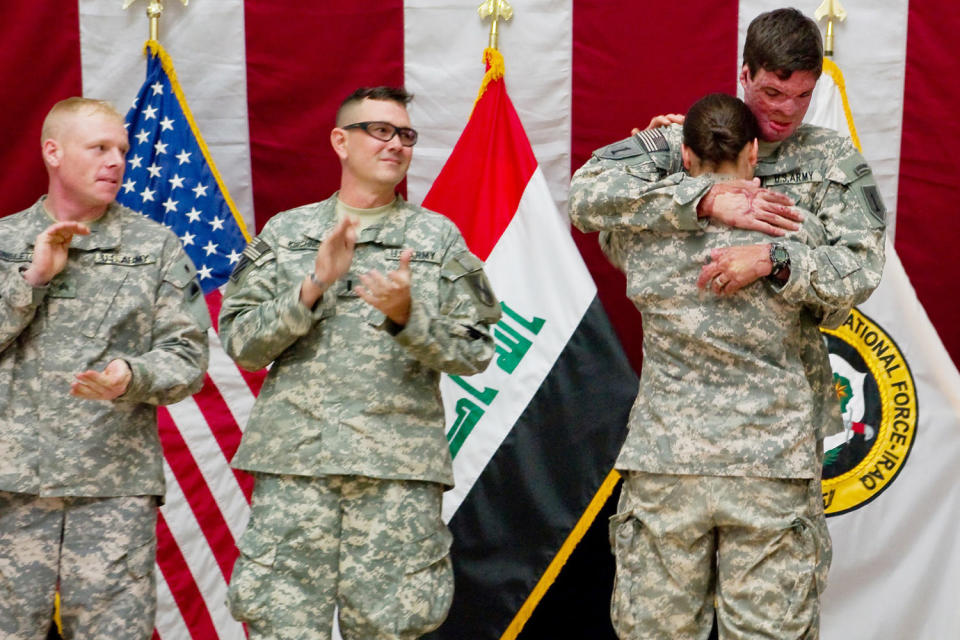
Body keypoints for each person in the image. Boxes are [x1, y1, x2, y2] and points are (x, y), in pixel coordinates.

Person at [569, 8, 885, 638]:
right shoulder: (683, 138)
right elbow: (585, 195)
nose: (787, 111)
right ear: (744, 73)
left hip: (772, 445)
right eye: (772, 92)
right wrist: (701, 197)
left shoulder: (828, 159)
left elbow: (859, 272)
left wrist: (774, 258)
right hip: (676, 447)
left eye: (802, 95)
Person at [220, 86, 501, 640]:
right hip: (296, 466)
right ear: (340, 141)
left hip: (395, 472)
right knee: (281, 627)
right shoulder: (288, 232)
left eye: (405, 135)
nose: (395, 144)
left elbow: (476, 350)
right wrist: (314, 284)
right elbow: (241, 345)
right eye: (380, 130)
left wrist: (407, 318)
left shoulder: (436, 238)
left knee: (392, 628)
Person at [0, 98, 210, 639]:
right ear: (53, 151)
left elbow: (187, 356)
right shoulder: (3, 242)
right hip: (11, 487)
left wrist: (130, 376)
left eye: (121, 149)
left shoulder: (155, 246)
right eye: (99, 148)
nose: (116, 161)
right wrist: (31, 280)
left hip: (111, 488)